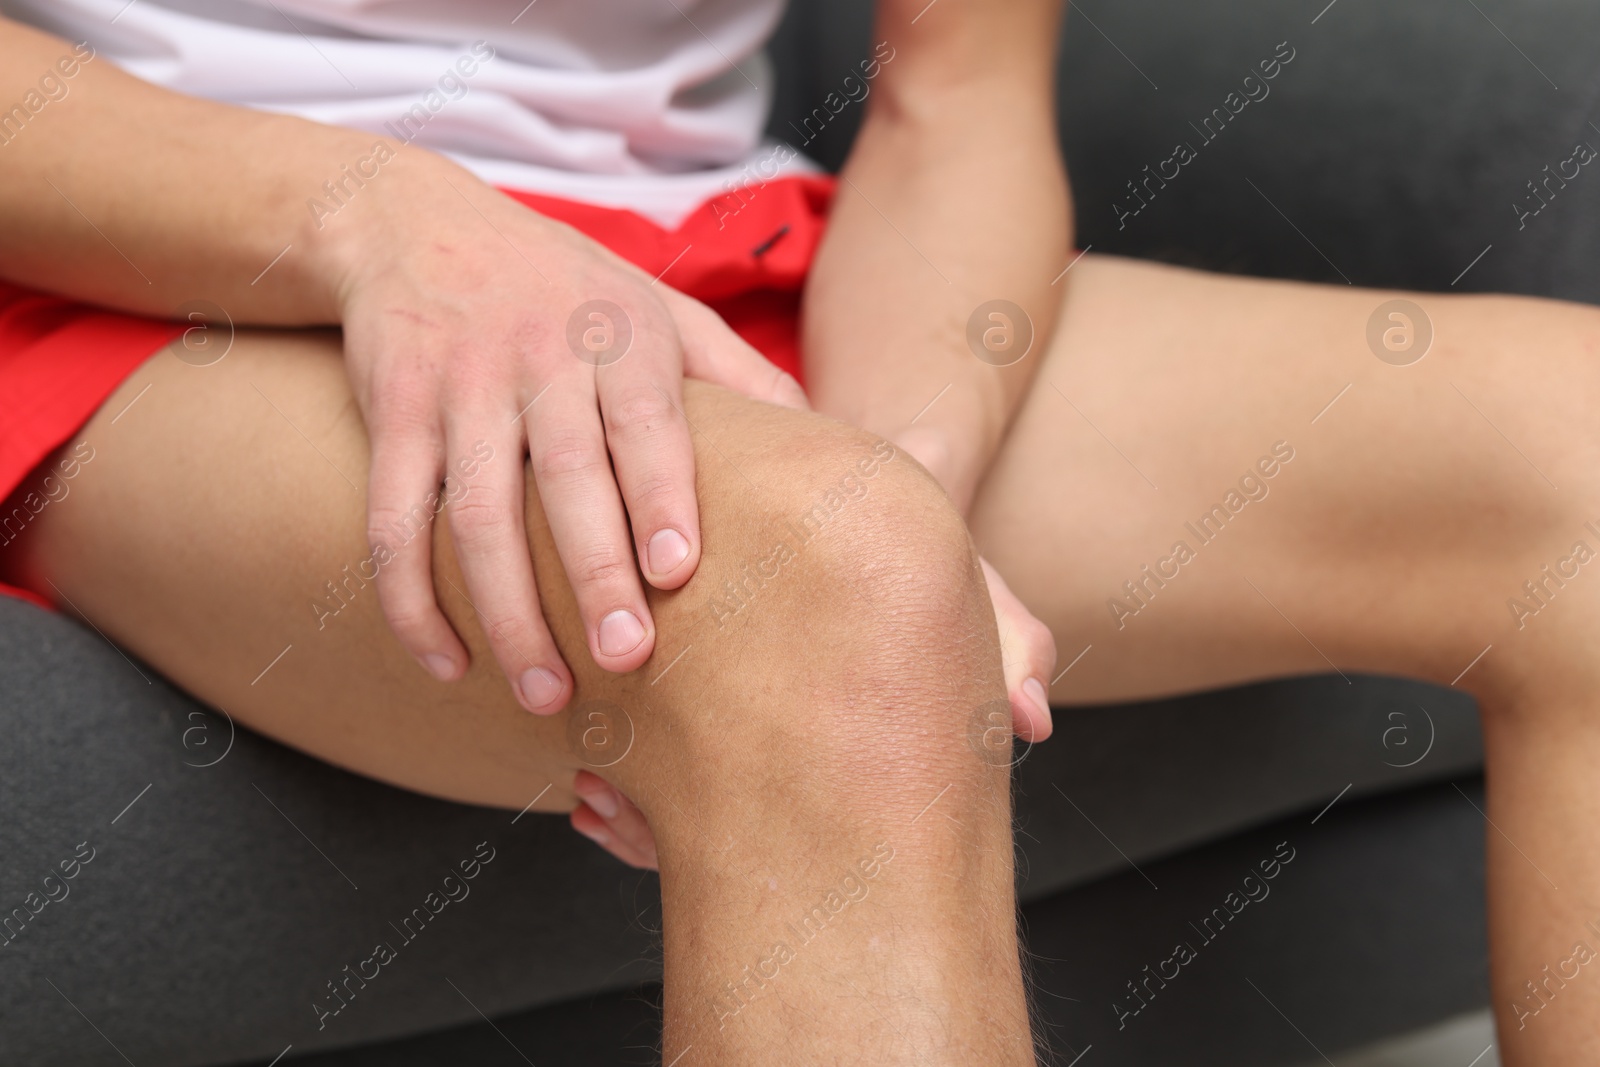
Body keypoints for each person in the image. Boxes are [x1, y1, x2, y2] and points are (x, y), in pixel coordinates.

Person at [0, 1, 1596, 1063]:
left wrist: (902, 473)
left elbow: (952, 109)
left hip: (713, 259)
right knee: (828, 591)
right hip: (170, 270)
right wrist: (383, 223)